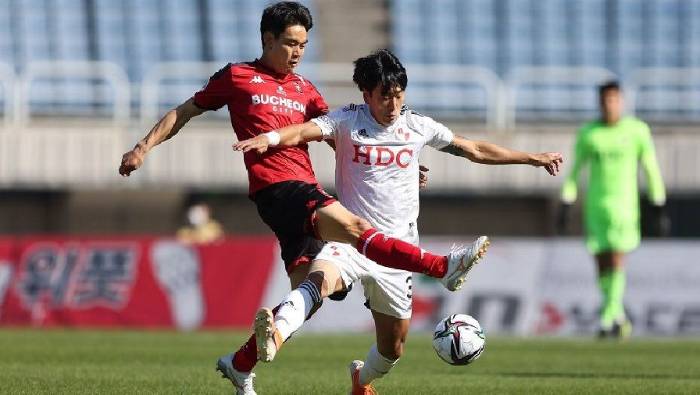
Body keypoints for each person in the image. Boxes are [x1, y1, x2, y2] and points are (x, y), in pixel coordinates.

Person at [118, 3, 492, 393]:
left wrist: (399, 168)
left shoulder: (305, 89)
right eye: (291, 44)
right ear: (268, 39)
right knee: (354, 226)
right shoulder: (238, 76)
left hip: (304, 193)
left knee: (306, 298)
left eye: (304, 45)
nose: (298, 53)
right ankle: (439, 266)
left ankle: (240, 363)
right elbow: (186, 110)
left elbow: (339, 138)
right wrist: (143, 147)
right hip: (280, 189)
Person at [235, 49, 563, 394]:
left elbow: (474, 149)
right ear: (367, 95)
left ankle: (361, 381)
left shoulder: (417, 125)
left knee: (392, 351)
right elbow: (302, 132)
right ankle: (275, 333)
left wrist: (532, 158)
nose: (392, 104)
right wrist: (269, 138)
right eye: (384, 97)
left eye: (398, 95)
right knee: (319, 282)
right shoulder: (347, 120)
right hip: (352, 238)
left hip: (398, 253)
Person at [559, 81, 667, 339]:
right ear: (599, 102)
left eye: (615, 99)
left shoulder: (637, 130)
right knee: (601, 263)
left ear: (622, 101)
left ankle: (607, 318)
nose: (610, 104)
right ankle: (617, 315)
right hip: (596, 206)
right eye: (606, 100)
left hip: (624, 206)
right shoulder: (589, 133)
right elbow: (575, 171)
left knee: (617, 258)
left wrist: (658, 202)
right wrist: (566, 200)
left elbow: (650, 167)